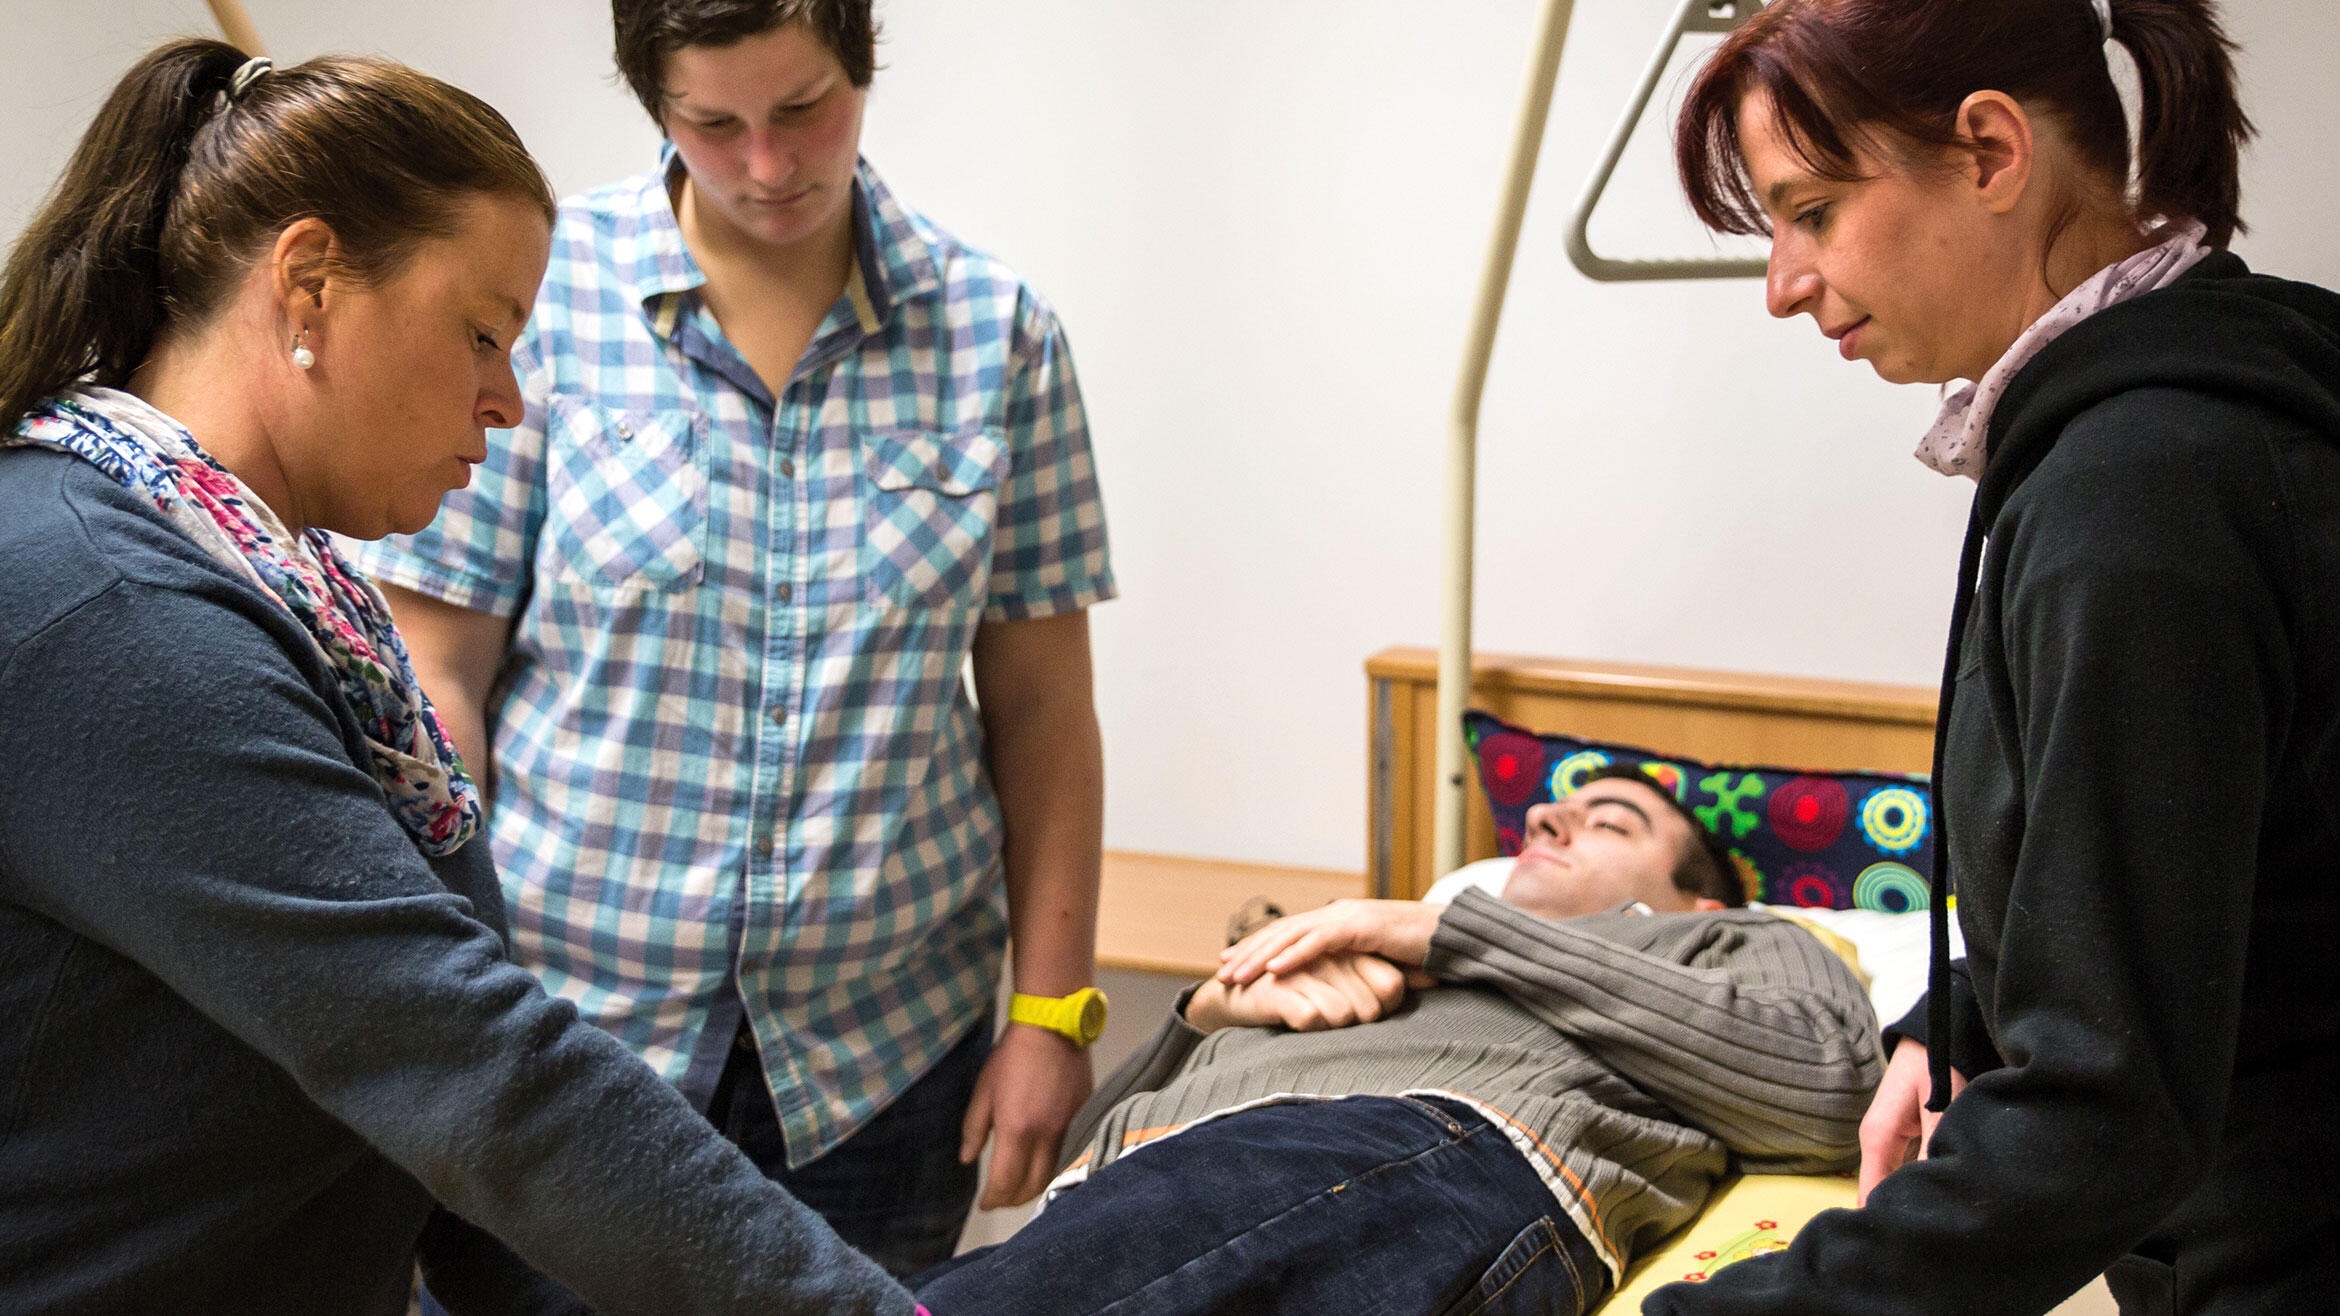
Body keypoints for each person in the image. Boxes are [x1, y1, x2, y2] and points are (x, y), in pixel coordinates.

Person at [0, 39, 926, 1315]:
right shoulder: (108, 607)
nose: (508, 401)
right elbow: (460, 1054)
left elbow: (422, 1106)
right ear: (310, 281)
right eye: (483, 335)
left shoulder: (269, 588)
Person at [350, 0, 1116, 1275]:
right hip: (565, 1038)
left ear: (863, 63)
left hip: (884, 1057)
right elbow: (437, 678)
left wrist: (1052, 1011)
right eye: (714, 124)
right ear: (656, 103)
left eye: (805, 108)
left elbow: (1043, 709)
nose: (769, 167)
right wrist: (449, 1003)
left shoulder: (1000, 337)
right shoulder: (540, 305)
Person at [1655, 0, 2340, 1311]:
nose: (1783, 288)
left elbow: (2107, 1121)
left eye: (1811, 213)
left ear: (1987, 152)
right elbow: (2222, 881)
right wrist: (1959, 1017)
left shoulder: (2142, 500)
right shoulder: (2177, 425)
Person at [914, 770, 1883, 1316]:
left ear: (1699, 896)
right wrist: (1203, 1015)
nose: (1548, 816)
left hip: (1422, 1158)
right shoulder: (1352, 941)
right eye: (1552, 807)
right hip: (1142, 1188)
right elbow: (1085, 1156)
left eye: (1610, 818)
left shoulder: (1733, 939)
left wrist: (1451, 930)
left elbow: (1831, 1086)